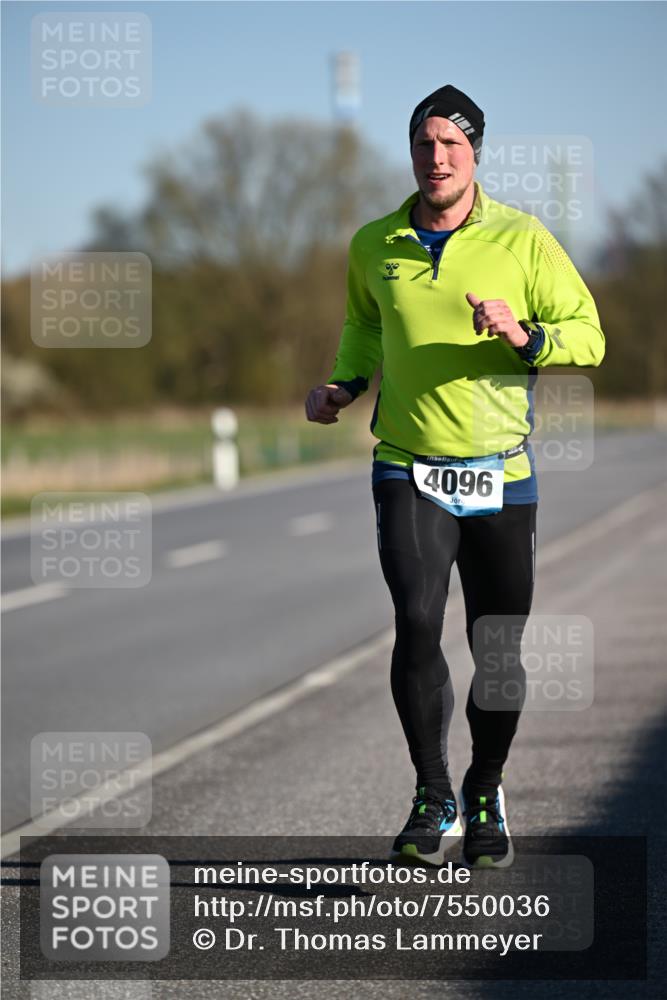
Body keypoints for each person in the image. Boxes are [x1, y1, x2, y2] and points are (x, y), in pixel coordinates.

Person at [304, 85, 604, 868]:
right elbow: (365, 323)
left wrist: (522, 332)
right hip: (406, 464)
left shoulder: (521, 238)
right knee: (414, 618)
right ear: (410, 153)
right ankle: (432, 789)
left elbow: (589, 336)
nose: (435, 159)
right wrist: (343, 384)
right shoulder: (375, 243)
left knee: (496, 646)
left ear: (474, 154)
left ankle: (485, 785)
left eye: (450, 145)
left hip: (500, 469)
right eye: (422, 144)